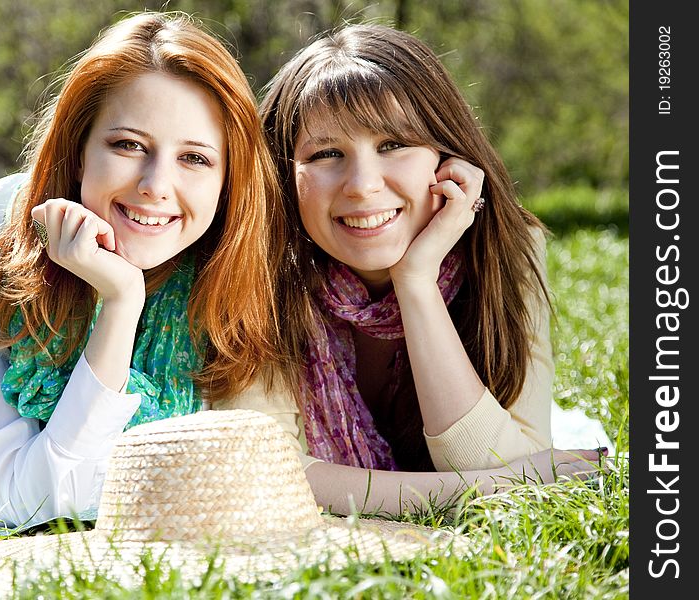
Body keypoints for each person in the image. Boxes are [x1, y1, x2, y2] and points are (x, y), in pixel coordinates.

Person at [0, 11, 285, 528]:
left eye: (194, 158)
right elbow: (37, 500)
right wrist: (122, 302)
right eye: (128, 145)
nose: (156, 184)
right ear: (78, 147)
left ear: (228, 177)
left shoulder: (240, 256)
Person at [247, 23, 604, 515]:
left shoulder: (505, 252)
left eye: (393, 144)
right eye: (327, 153)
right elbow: (265, 473)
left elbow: (495, 457)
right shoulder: (257, 273)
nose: (363, 185)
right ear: (284, 177)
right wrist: (473, 490)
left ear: (448, 155)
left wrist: (416, 282)